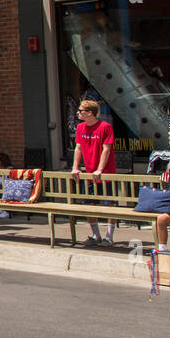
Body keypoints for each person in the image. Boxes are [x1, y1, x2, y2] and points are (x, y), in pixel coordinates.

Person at [70, 99, 117, 246]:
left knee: (110, 204)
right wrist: (75, 167)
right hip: (89, 171)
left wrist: (100, 169)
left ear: (90, 113)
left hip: (106, 172)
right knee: (89, 203)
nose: (78, 113)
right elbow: (78, 148)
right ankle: (96, 235)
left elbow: (106, 149)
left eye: (80, 111)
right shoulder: (80, 128)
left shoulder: (105, 127)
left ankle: (109, 236)